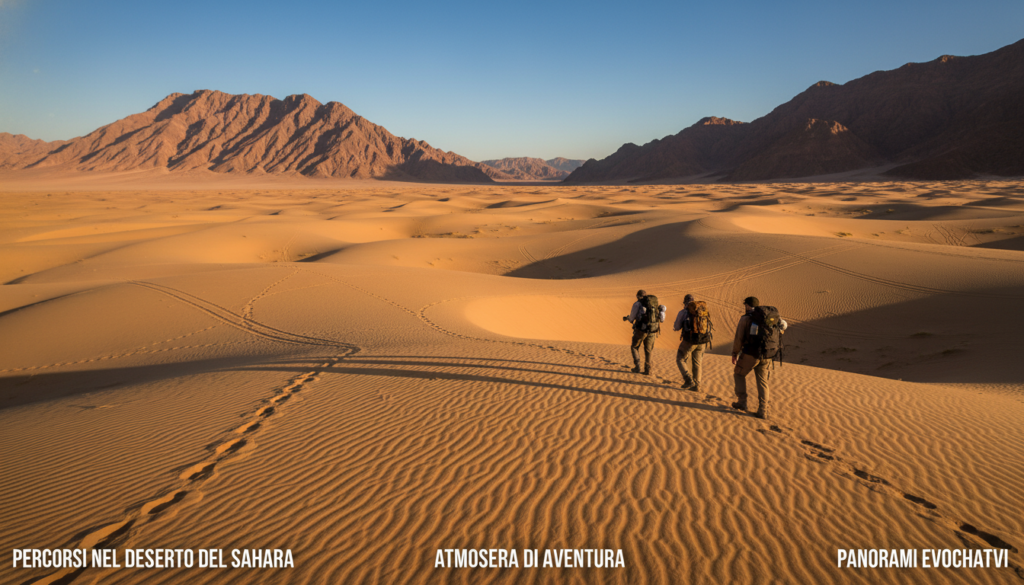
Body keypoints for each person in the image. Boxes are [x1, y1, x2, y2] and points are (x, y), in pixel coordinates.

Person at [731, 296, 787, 419]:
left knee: (739, 374)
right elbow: (784, 325)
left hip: (751, 354)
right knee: (762, 381)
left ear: (747, 305)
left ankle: (741, 402)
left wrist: (735, 353)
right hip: (768, 354)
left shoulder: (746, 318)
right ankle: (763, 410)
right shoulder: (769, 317)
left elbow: (738, 338)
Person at [673, 293, 711, 392]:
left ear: (684, 303)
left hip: (690, 340)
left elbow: (677, 327)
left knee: (680, 359)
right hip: (703, 340)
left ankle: (688, 379)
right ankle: (697, 385)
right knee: (697, 363)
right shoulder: (702, 311)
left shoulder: (683, 312)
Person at [623, 289, 665, 375]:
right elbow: (661, 319)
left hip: (641, 330)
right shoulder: (654, 304)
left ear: (638, 296)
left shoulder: (637, 304)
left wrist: (628, 318)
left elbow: (631, 318)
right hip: (653, 330)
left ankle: (637, 367)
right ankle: (647, 370)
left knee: (634, 347)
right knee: (648, 350)